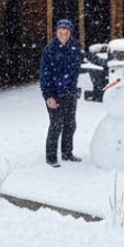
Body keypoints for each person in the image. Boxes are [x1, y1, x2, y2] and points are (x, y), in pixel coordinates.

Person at [39, 19, 83, 167]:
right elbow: (44, 76)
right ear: (56, 32)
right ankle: (51, 157)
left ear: (70, 33)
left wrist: (110, 61)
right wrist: (48, 96)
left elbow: (86, 59)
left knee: (70, 124)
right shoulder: (49, 50)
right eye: (60, 33)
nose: (63, 35)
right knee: (56, 125)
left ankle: (67, 153)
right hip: (54, 94)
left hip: (70, 93)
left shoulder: (75, 46)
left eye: (66, 33)